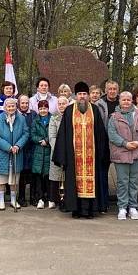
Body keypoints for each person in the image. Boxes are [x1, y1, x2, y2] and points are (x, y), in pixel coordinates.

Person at [53, 82, 110, 219]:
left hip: (92, 156)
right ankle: (76, 209)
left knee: (92, 181)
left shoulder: (94, 110)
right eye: (80, 94)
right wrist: (62, 157)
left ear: (88, 95)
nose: (82, 97)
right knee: (74, 182)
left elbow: (101, 134)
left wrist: (103, 154)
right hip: (74, 157)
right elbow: (63, 134)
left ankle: (90, 210)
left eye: (84, 94)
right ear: (76, 96)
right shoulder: (69, 111)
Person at [108, 91, 138, 220]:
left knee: (134, 182)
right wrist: (125, 143)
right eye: (123, 100)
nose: (126, 102)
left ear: (132, 101)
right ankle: (122, 207)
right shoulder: (114, 117)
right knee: (122, 182)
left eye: (128, 100)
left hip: (136, 153)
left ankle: (133, 207)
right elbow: (112, 134)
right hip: (121, 154)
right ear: (119, 101)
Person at [0, 98, 30, 210]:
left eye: (13, 106)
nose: (11, 108)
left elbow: (26, 134)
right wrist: (7, 147)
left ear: (16, 107)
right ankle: (1, 201)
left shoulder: (21, 119)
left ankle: (13, 200)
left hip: (16, 152)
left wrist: (18, 145)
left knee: (14, 180)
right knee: (0, 179)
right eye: (9, 106)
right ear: (5, 107)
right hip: (1, 153)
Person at [47, 96, 70, 209]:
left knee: (67, 176)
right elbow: (52, 136)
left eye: (64, 103)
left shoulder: (71, 116)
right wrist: (59, 150)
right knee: (55, 175)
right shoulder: (54, 118)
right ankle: (53, 199)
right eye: (59, 104)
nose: (61, 106)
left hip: (69, 151)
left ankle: (66, 199)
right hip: (56, 151)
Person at [30, 100, 52, 209]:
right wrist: (40, 140)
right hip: (38, 151)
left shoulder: (52, 119)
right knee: (38, 177)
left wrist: (47, 141)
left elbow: (54, 133)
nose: (43, 111)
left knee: (48, 177)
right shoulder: (35, 121)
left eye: (45, 108)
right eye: (41, 108)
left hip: (49, 150)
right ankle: (40, 198)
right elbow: (32, 135)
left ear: (48, 109)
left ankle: (50, 198)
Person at [17, 95, 35, 206]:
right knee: (22, 175)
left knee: (32, 174)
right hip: (21, 148)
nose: (24, 105)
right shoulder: (16, 114)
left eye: (26, 103)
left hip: (32, 147)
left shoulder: (33, 114)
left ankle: (33, 197)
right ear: (18, 104)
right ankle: (21, 197)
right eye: (22, 103)